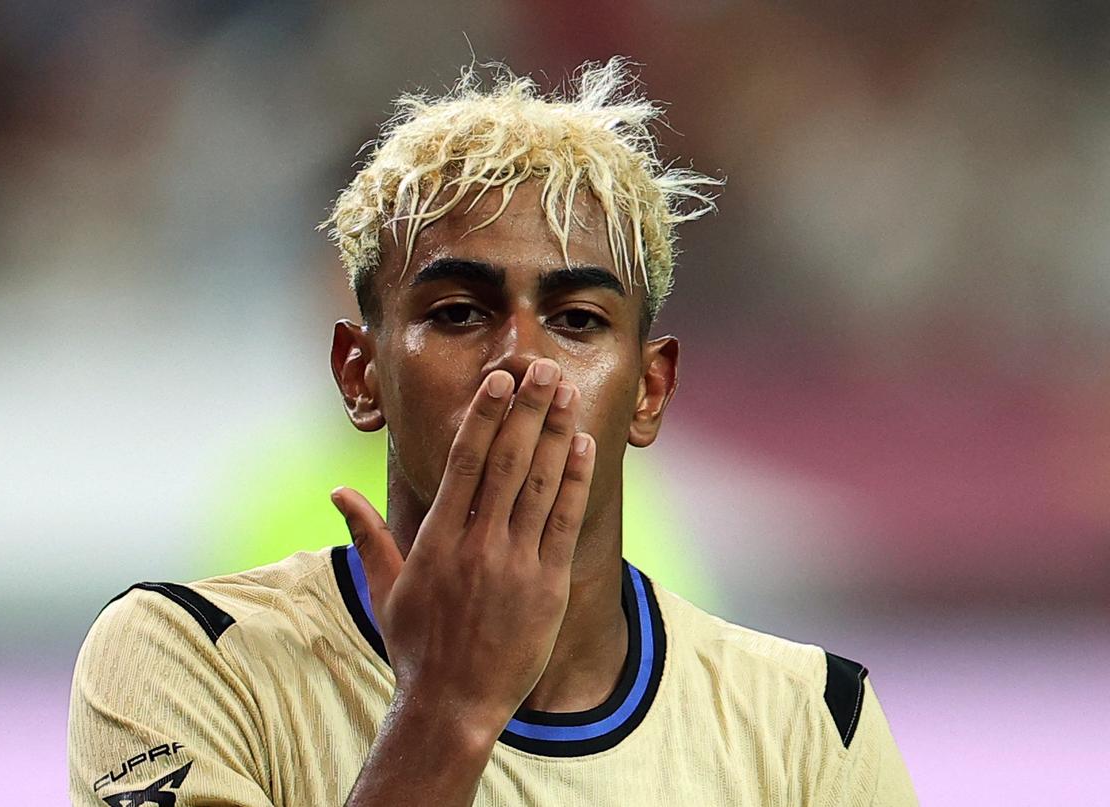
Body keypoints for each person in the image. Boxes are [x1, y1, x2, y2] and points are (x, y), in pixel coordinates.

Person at [68, 58, 917, 806]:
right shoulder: (183, 658)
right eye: (458, 312)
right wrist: (449, 707)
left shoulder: (815, 723)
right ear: (360, 374)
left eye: (577, 319)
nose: (522, 360)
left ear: (650, 390)